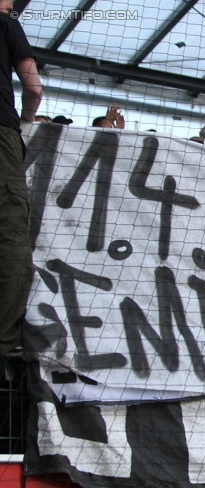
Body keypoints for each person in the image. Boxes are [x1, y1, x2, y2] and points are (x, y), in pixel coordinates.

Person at [0, 0, 42, 356]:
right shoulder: (7, 23)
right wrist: (27, 121)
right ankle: (3, 341)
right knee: (11, 235)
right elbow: (33, 88)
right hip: (1, 132)